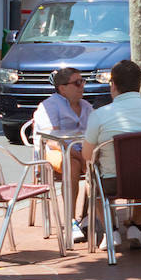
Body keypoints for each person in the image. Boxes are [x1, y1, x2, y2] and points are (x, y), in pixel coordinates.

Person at [82, 59, 141, 251]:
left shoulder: (100, 114)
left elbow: (87, 156)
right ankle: (136, 227)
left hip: (113, 181)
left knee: (92, 178)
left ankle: (111, 230)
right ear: (139, 84)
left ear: (113, 85)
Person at [32, 66, 93, 242]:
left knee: (97, 164)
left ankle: (87, 215)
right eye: (77, 82)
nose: (82, 86)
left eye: (83, 81)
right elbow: (51, 140)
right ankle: (71, 221)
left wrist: (85, 155)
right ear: (62, 88)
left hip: (80, 150)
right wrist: (78, 155)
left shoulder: (86, 106)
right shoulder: (49, 106)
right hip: (52, 151)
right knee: (71, 164)